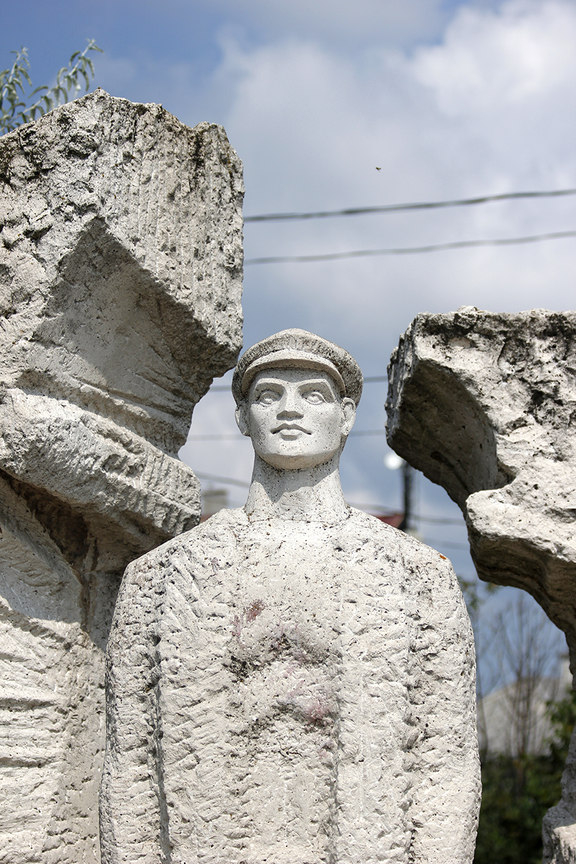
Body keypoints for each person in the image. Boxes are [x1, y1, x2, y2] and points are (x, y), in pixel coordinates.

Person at [100, 329, 480, 864]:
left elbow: (446, 760)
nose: (289, 410)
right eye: (268, 394)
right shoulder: (161, 578)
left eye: (314, 395)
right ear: (241, 416)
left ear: (346, 415)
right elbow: (131, 764)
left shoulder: (416, 578)